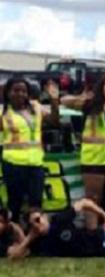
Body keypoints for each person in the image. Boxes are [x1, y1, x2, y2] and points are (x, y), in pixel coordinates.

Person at [61, 73, 105, 228]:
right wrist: (82, 98)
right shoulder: (90, 105)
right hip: (93, 158)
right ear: (101, 87)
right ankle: (92, 236)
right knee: (93, 199)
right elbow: (64, 101)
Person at [0, 78, 60, 222]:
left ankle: (35, 239)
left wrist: (54, 100)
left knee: (36, 205)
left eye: (23, 91)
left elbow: (54, 121)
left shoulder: (36, 107)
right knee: (15, 205)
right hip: (13, 164)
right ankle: (15, 239)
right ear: (8, 93)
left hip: (35, 164)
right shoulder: (3, 112)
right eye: (16, 90)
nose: (20, 94)